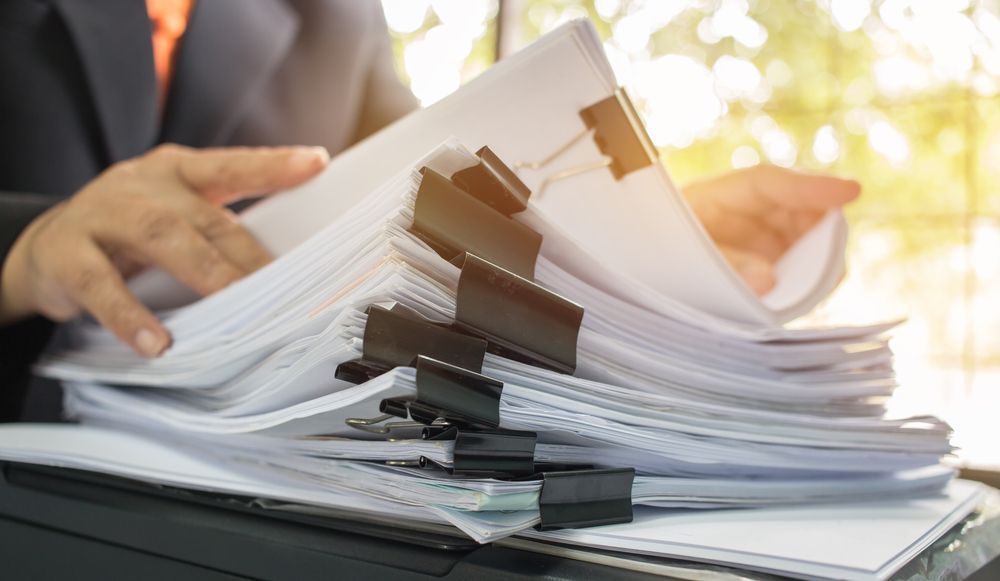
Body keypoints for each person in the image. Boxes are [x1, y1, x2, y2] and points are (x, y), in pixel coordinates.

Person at [0, 0, 859, 422]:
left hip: (269, 464)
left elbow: (424, 206)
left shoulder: (337, 14)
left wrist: (628, 234)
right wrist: (23, 248)